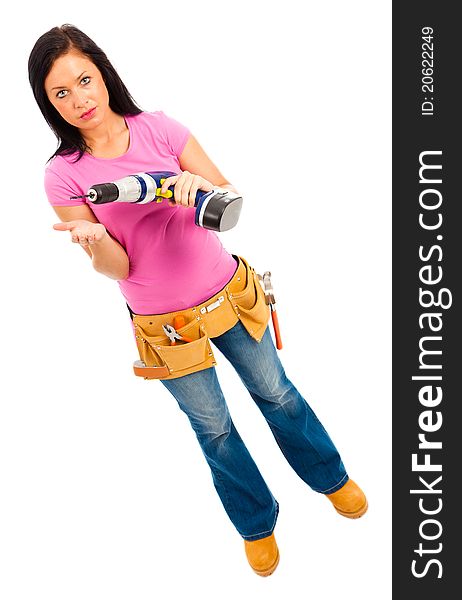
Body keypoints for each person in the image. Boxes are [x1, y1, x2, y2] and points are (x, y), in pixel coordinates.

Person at [28, 24, 367, 577]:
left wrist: (194, 191)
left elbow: (231, 199)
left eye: (84, 81)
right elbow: (119, 269)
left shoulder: (160, 128)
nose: (79, 100)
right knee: (213, 427)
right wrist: (96, 243)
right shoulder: (63, 176)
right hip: (163, 326)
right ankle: (257, 524)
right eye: (60, 93)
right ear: (48, 102)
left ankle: (331, 479)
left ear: (103, 73)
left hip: (229, 295)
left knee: (277, 395)